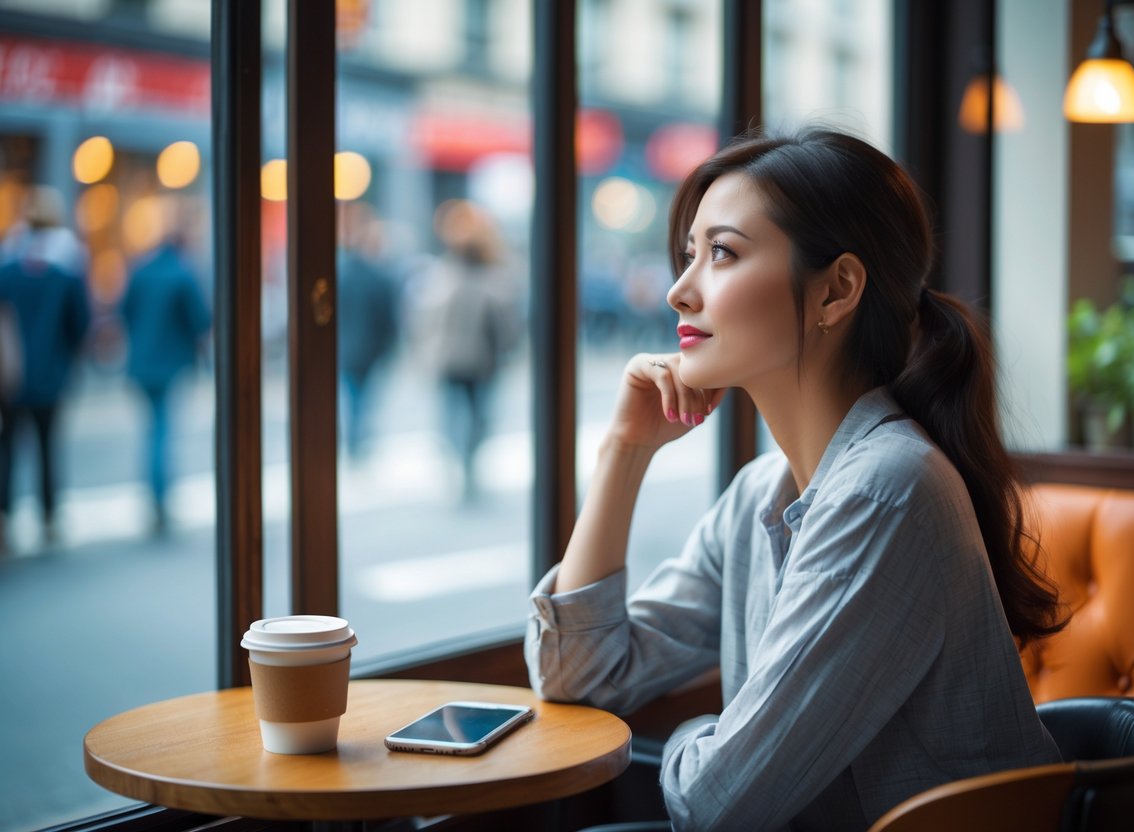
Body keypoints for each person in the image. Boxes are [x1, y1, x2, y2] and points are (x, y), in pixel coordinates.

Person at [524, 127, 1068, 831]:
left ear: (835, 290)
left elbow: (716, 804)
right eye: (689, 256)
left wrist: (698, 733)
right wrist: (623, 452)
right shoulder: (762, 490)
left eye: (720, 253)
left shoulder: (886, 490)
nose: (678, 292)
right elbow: (579, 676)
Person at [0, 186, 91, 549]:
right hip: (52, 375)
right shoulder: (66, 271)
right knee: (47, 446)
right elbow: (80, 325)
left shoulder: (7, 268)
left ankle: (4, 518)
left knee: (7, 449)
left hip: (9, 377)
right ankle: (49, 516)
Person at [416, 200, 522, 501]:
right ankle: (464, 461)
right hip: (465, 360)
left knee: (472, 416)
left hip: (473, 360)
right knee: (467, 416)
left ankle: (466, 461)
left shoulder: (460, 277)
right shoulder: (452, 275)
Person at [120, 229, 212, 533]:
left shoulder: (140, 270)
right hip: (170, 365)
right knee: (162, 429)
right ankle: (160, 496)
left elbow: (124, 312)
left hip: (141, 363)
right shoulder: (183, 275)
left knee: (152, 428)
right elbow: (200, 320)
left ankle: (155, 494)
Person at [337, 202, 400, 458]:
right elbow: (388, 318)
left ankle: (355, 440)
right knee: (361, 398)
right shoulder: (378, 275)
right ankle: (357, 441)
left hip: (347, 347)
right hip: (369, 349)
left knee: (354, 396)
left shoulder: (343, 272)